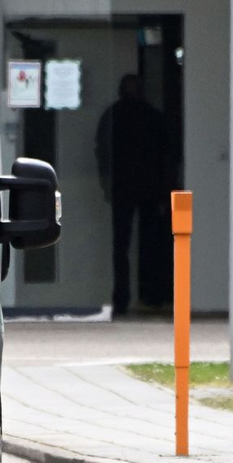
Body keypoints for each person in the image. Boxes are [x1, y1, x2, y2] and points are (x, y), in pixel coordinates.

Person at [95, 73, 174, 317]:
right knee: (146, 245)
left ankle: (123, 300)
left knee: (123, 246)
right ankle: (149, 295)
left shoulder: (114, 115)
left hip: (127, 189)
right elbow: (167, 156)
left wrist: (106, 185)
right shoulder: (152, 116)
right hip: (145, 189)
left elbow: (102, 153)